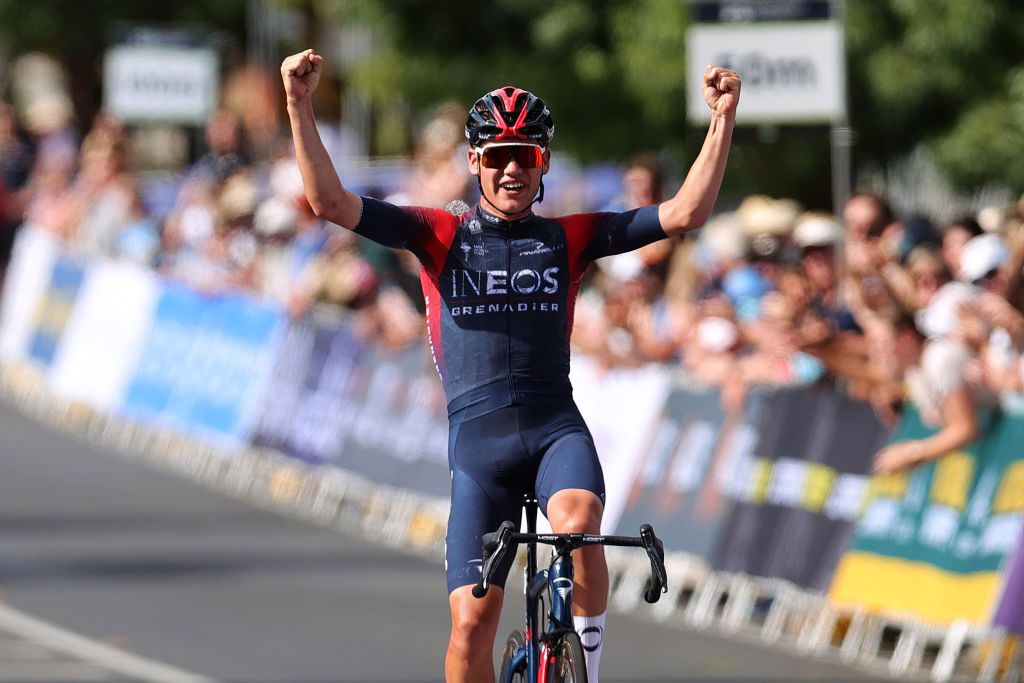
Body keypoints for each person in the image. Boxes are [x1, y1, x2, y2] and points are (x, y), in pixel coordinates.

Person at [281, 47, 740, 683]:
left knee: (578, 525)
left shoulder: (569, 237)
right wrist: (300, 106)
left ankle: (589, 668)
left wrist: (722, 119)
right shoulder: (437, 232)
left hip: (555, 426)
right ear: (475, 162)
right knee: (472, 624)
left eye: (524, 156)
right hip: (479, 446)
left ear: (542, 162)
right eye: (497, 157)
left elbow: (685, 212)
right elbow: (329, 202)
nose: (511, 170)